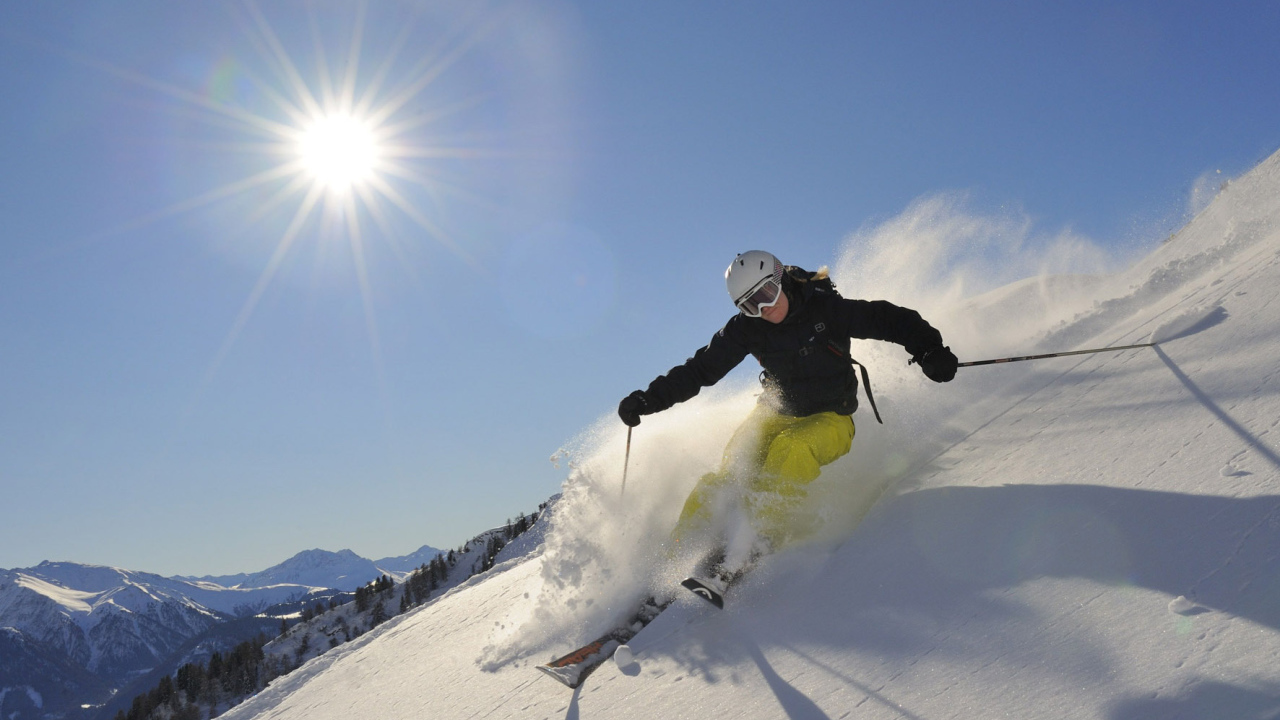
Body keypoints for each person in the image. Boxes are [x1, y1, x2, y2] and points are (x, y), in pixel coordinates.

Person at [617, 250, 957, 584]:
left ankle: (757, 540)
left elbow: (888, 319)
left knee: (790, 450)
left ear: (781, 280)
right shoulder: (746, 329)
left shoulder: (825, 308)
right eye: (751, 305)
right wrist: (649, 399)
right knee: (729, 474)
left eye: (767, 294)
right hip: (776, 411)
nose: (765, 309)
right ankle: (673, 561)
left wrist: (929, 349)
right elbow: (700, 369)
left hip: (832, 417)